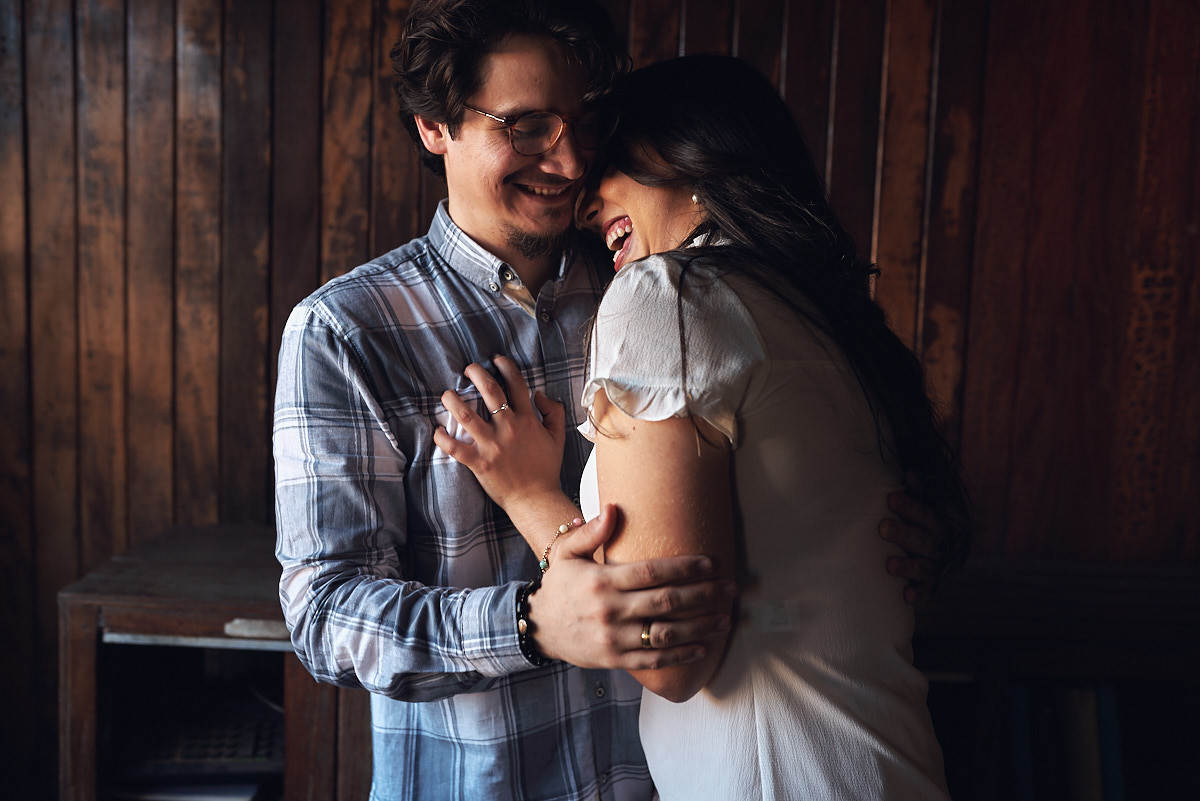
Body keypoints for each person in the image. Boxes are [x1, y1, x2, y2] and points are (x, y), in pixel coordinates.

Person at [274, 1, 952, 798]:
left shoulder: (659, 282)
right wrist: (529, 625)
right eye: (526, 127)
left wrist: (891, 533)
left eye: (583, 123)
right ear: (435, 126)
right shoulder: (347, 331)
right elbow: (323, 614)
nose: (568, 164)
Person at [434, 54, 970, 800]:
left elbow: (666, 651)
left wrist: (527, 494)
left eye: (609, 160)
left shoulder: (667, 293)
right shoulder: (827, 320)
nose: (586, 203)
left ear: (692, 152)